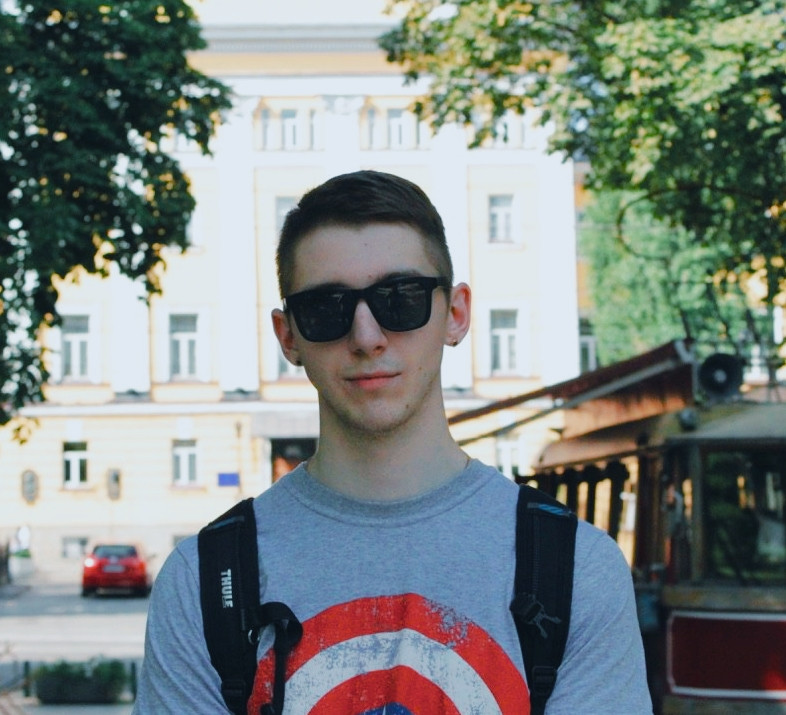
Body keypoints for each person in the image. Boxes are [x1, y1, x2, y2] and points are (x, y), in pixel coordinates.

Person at [134, 170, 652, 713]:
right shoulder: (203, 581)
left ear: (456, 314)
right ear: (288, 336)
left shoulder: (576, 570)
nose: (366, 337)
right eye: (326, 308)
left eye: (401, 299)